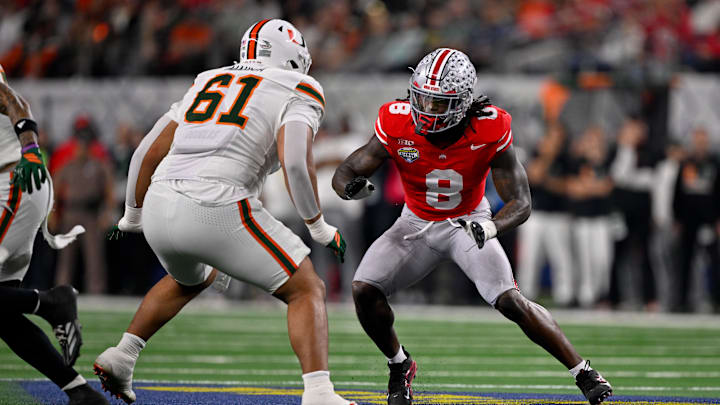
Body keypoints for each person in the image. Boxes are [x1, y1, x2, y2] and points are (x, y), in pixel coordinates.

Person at [94, 19, 355, 405]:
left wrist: (132, 215)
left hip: (160, 203)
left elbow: (145, 151)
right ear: (292, 56)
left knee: (191, 279)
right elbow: (297, 163)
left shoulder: (207, 79)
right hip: (216, 201)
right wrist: (317, 226)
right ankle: (319, 392)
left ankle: (122, 355)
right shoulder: (298, 86)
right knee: (306, 288)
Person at [332, 48, 613, 405]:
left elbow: (522, 202)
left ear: (463, 103)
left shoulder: (491, 126)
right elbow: (346, 171)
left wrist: (492, 228)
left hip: (468, 223)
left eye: (438, 103)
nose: (426, 110)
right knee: (363, 289)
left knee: (511, 301)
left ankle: (583, 371)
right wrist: (349, 187)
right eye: (422, 98)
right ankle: (399, 365)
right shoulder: (396, 121)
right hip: (414, 223)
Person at [0, 72, 107, 404]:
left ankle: (50, 303)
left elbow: (13, 100)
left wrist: (31, 149)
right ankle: (79, 391)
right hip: (14, 186)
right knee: (3, 313)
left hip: (14, 179)